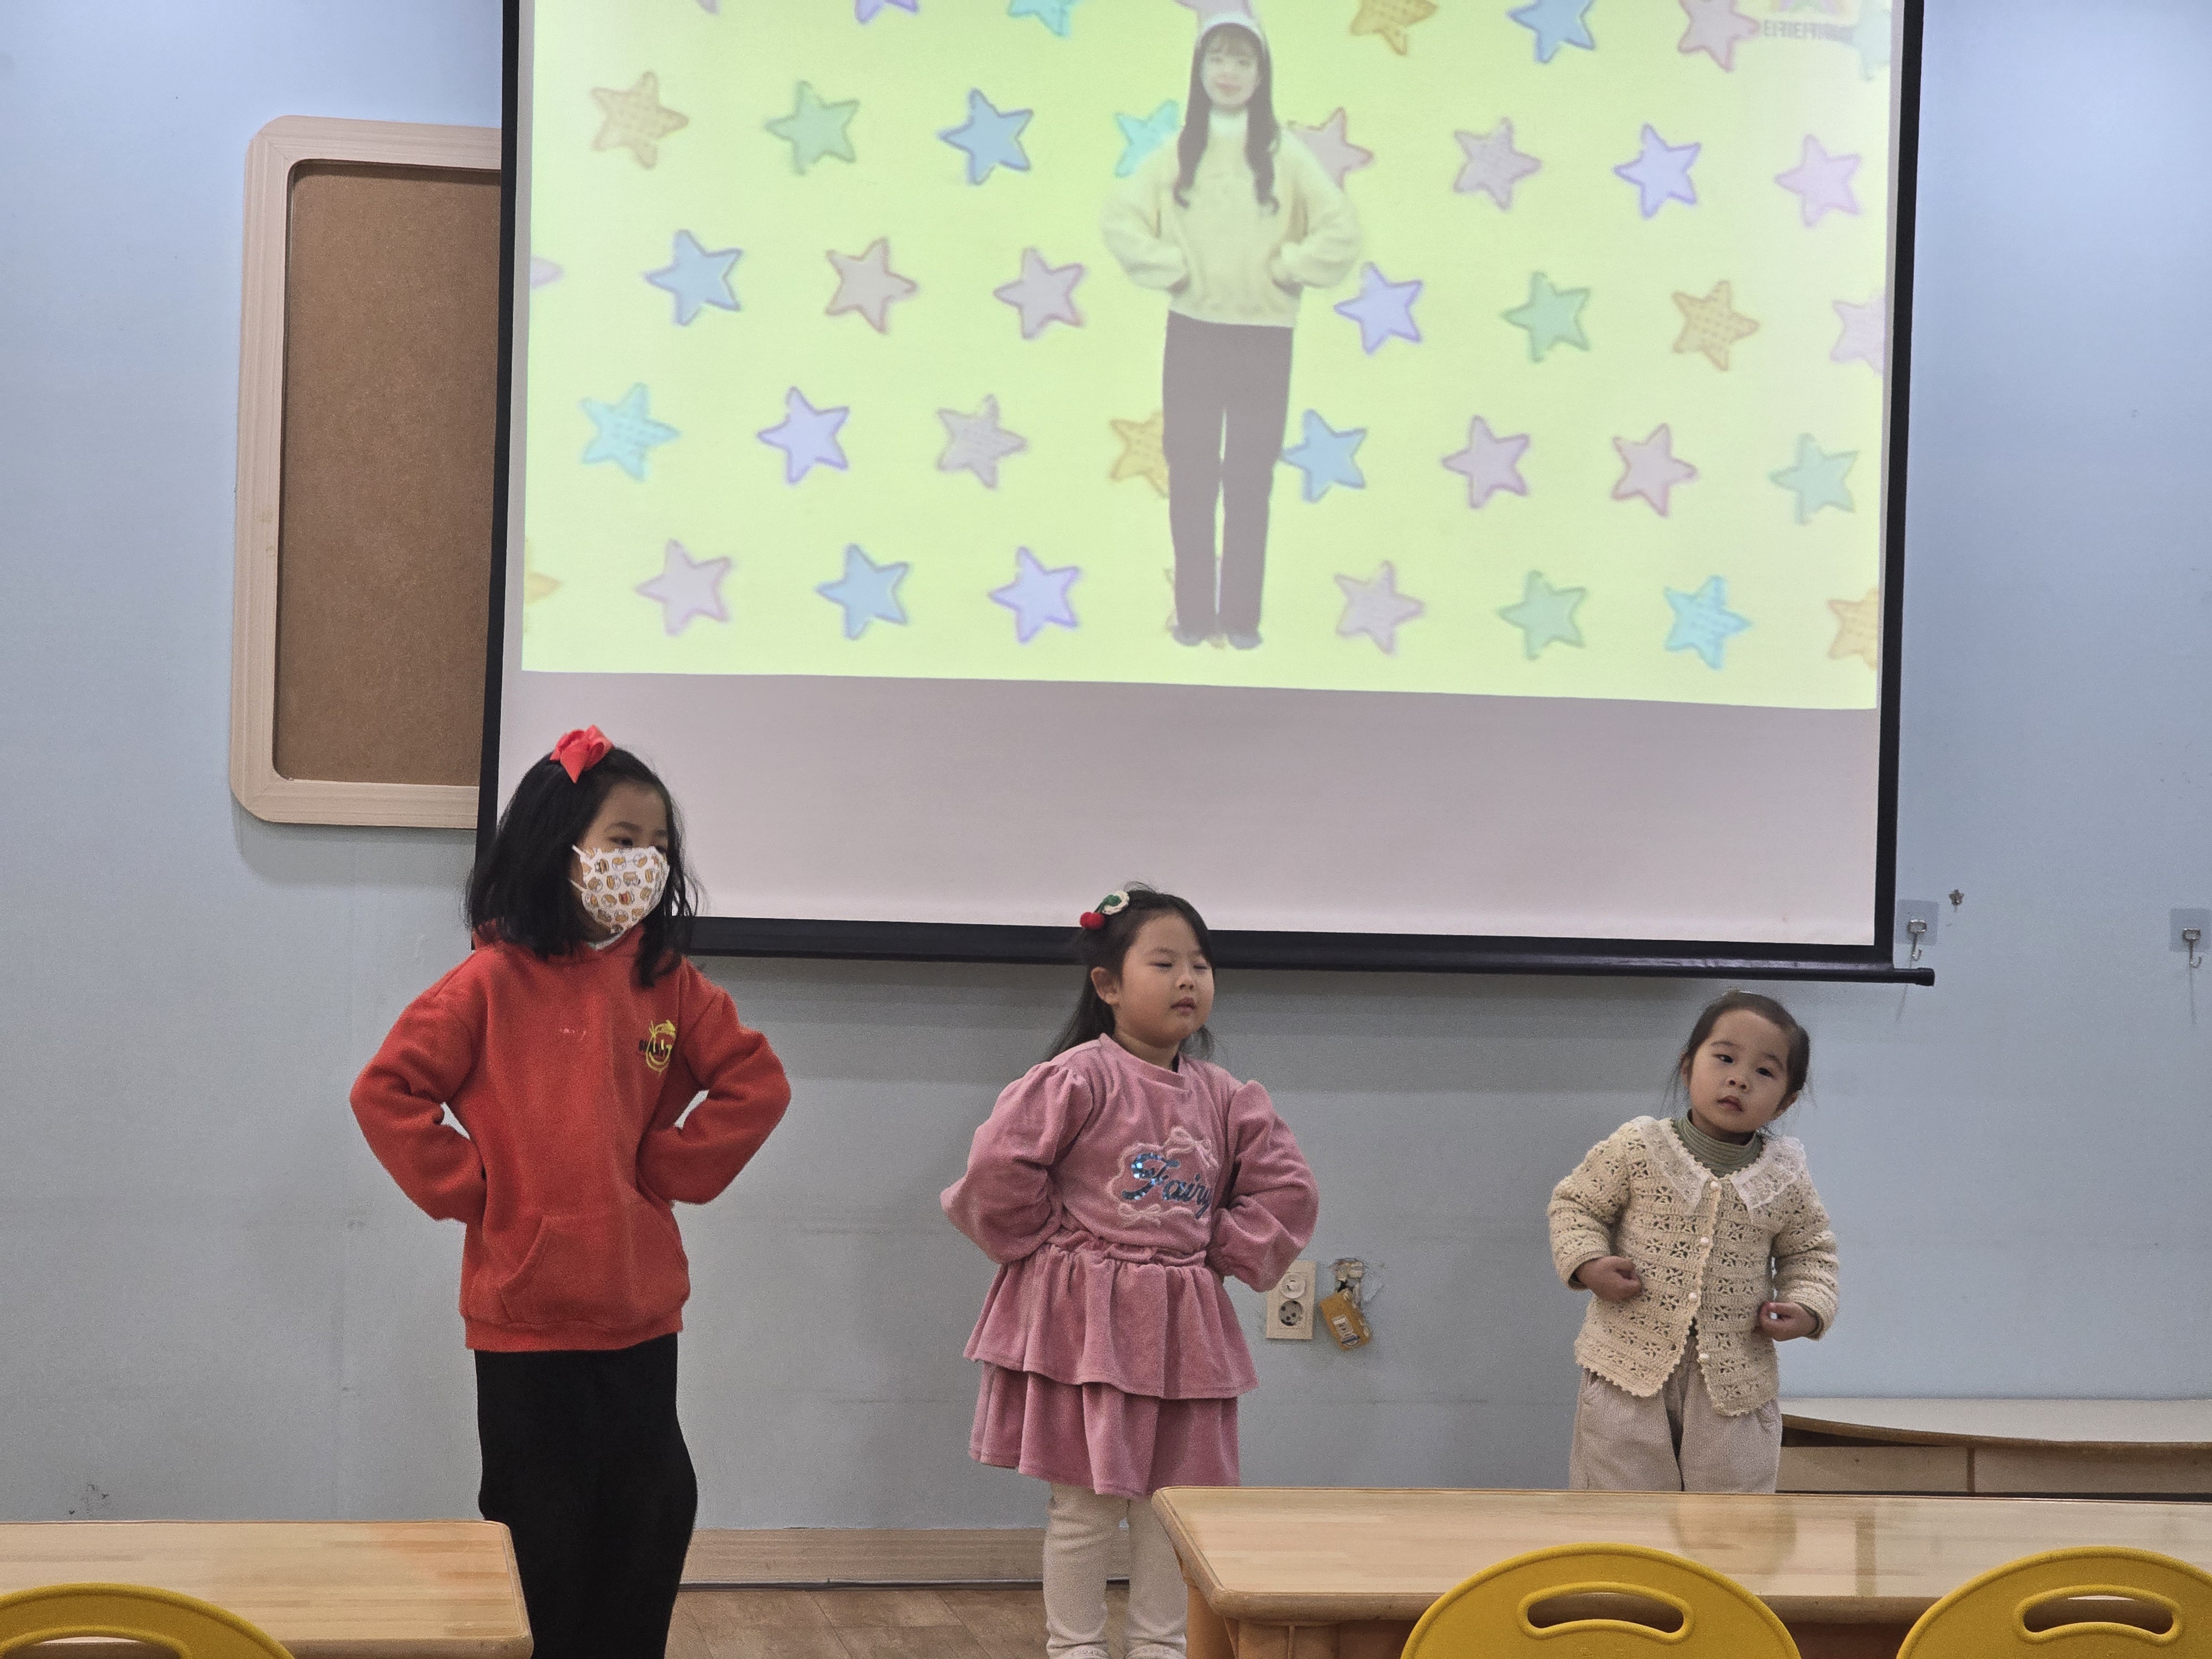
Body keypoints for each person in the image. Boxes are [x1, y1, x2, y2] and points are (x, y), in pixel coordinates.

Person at [351, 726, 791, 1659]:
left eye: (660, 846)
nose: (646, 864)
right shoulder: (487, 984)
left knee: (648, 1516)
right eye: (624, 840)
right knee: (542, 1537)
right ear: (560, 845)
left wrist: (671, 1167)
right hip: (526, 1320)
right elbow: (386, 1092)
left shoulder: (668, 985)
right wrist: (474, 1186)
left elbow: (756, 1083)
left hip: (639, 1315)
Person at [943, 887, 1318, 1659]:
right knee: (1084, 1508)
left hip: (1183, 1331)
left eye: (1201, 965)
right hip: (1085, 1328)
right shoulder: (1076, 1079)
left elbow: (1288, 1191)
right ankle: (1074, 1647)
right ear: (1107, 984)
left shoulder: (1227, 1098)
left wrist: (1219, 1245)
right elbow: (998, 1169)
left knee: (1170, 1508)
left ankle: (1159, 1645)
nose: (1188, 980)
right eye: (1164, 963)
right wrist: (1053, 1243)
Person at [1103, 3, 1360, 650]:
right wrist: (1170, 267)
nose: (1228, 72)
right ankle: (1194, 616)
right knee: (1190, 476)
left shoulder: (1285, 154)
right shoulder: (1176, 152)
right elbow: (1120, 220)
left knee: (1250, 480)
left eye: (1242, 61)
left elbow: (1340, 230)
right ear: (1199, 67)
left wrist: (1291, 266)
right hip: (1193, 334)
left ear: (1261, 73)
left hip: (1264, 340)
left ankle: (1241, 618)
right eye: (1217, 58)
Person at [1547, 990, 1839, 1493]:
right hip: (1626, 1371)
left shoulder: (1786, 1176)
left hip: (1735, 1385)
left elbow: (1811, 1253)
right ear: (1688, 1067)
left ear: (1786, 1100)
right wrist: (1590, 1263)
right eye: (1724, 1058)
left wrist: (1808, 1308)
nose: (1739, 1079)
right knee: (1621, 1515)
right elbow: (1576, 1205)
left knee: (1730, 1521)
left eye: (1764, 1071)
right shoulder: (1638, 1147)